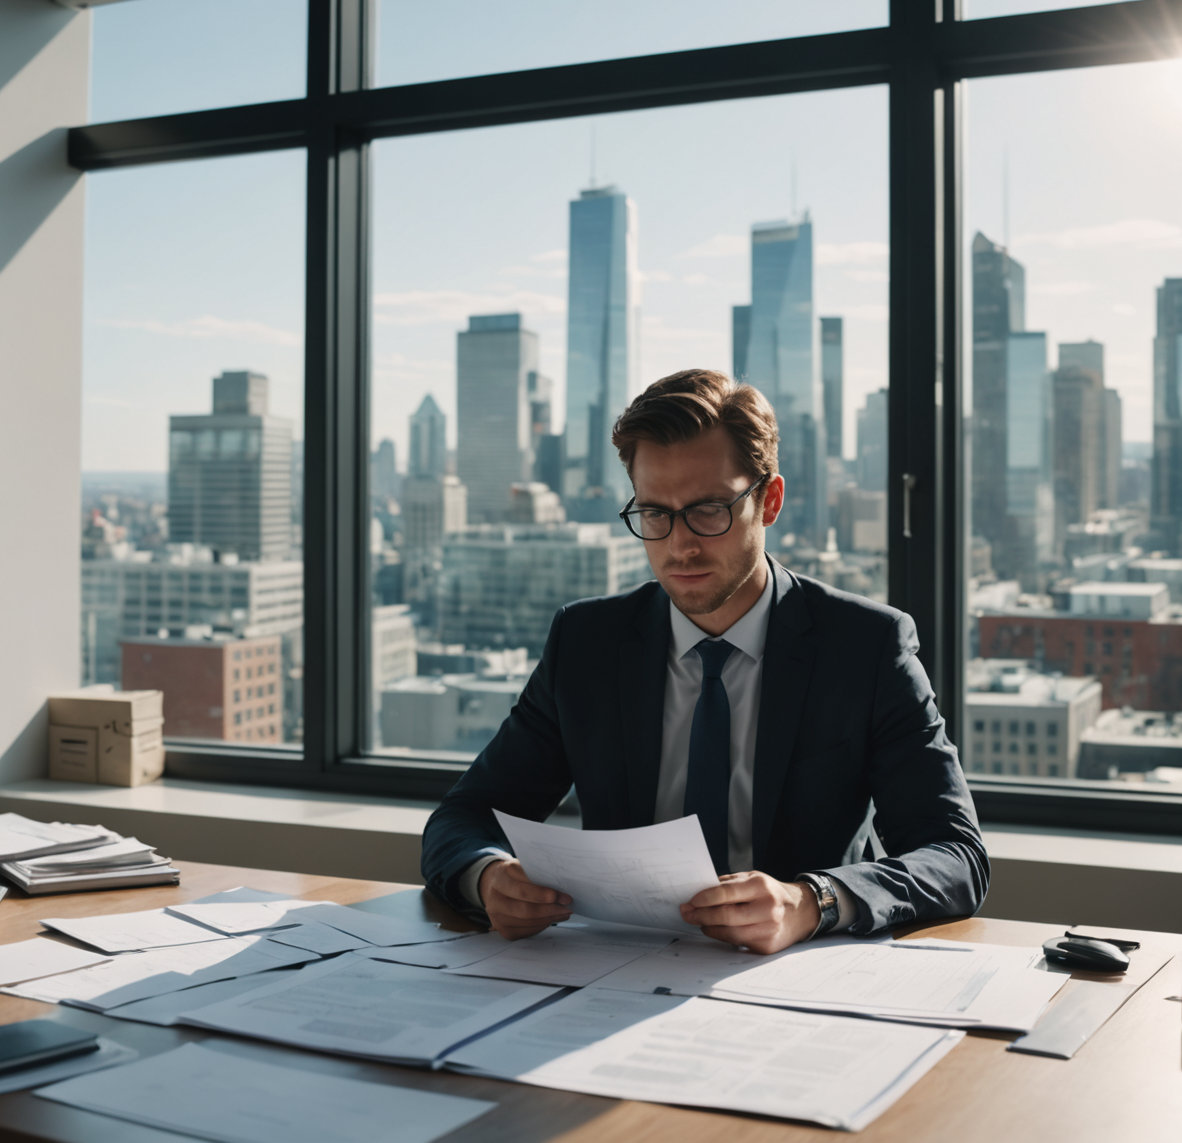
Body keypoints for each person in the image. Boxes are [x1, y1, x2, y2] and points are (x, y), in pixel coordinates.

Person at [420, 368, 987, 954]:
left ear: (769, 501)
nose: (679, 545)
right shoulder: (588, 642)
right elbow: (463, 819)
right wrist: (486, 876)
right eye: (655, 514)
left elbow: (955, 856)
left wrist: (810, 901)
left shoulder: (866, 647)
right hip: (615, 976)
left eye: (709, 510)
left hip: (796, 981)